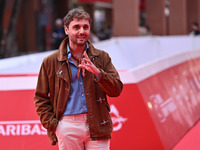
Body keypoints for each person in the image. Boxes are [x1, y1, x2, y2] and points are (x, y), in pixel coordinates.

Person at [34, 8, 123, 150]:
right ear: (66, 30)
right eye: (76, 27)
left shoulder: (102, 58)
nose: (82, 31)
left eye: (85, 27)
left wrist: (98, 73)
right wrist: (55, 126)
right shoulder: (51, 61)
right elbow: (40, 97)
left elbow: (116, 89)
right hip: (67, 126)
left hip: (98, 124)